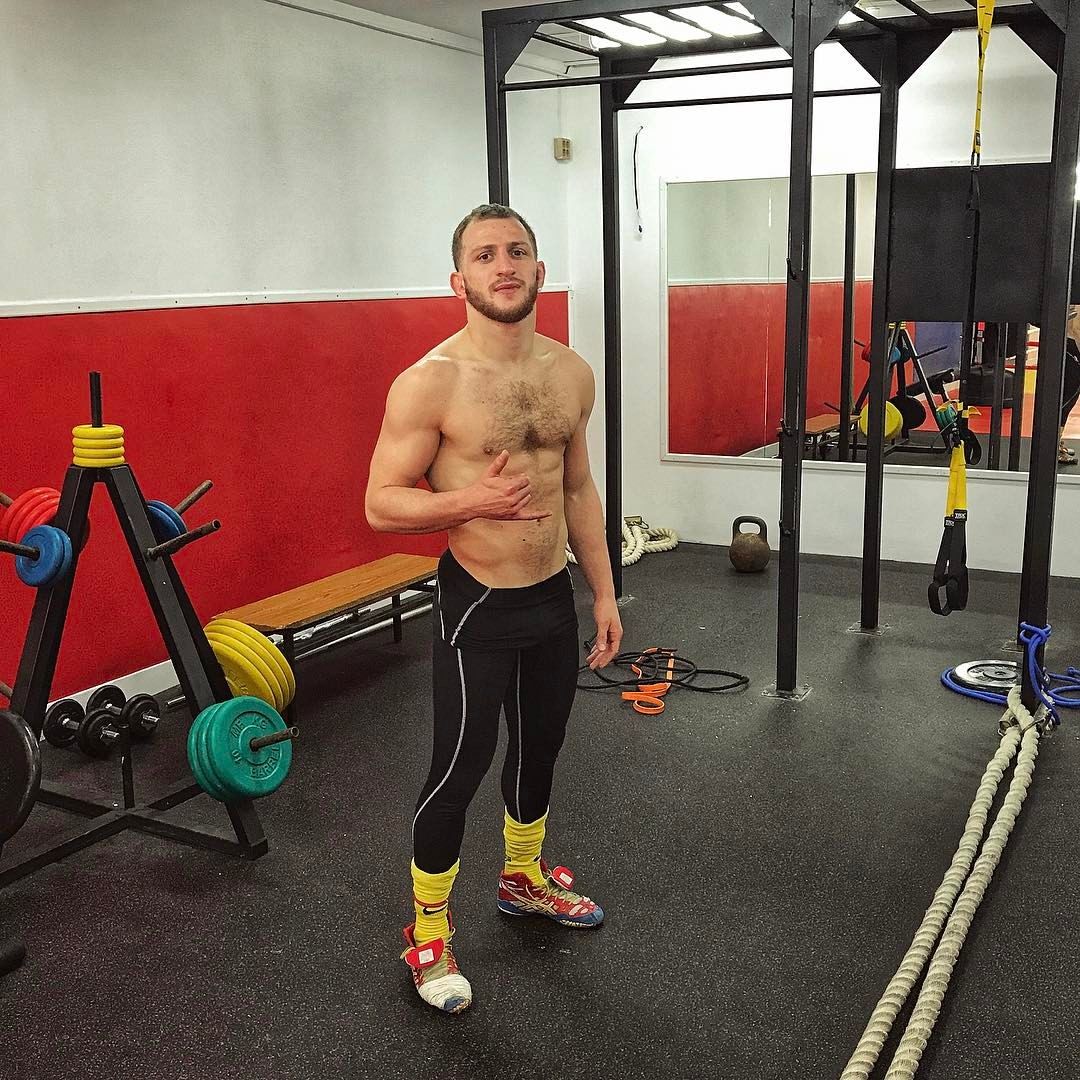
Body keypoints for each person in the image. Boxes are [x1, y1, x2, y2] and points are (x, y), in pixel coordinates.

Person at [365, 204, 623, 1015]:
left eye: (516, 251)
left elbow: (577, 487)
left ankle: (522, 879)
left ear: (540, 270)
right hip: (476, 600)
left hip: (550, 597)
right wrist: (470, 501)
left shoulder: (571, 374)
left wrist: (604, 590)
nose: (502, 265)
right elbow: (380, 502)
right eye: (483, 256)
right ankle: (428, 932)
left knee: (539, 750)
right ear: (459, 281)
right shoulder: (431, 382)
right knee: (460, 766)